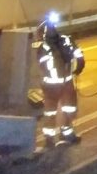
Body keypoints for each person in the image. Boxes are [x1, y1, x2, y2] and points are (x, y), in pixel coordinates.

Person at [35, 11, 85, 148]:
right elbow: (79, 56)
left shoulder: (48, 45)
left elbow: (39, 66)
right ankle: (58, 136)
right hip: (59, 84)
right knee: (60, 110)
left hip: (57, 84)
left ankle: (57, 136)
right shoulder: (61, 41)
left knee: (59, 110)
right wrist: (78, 67)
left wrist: (79, 64)